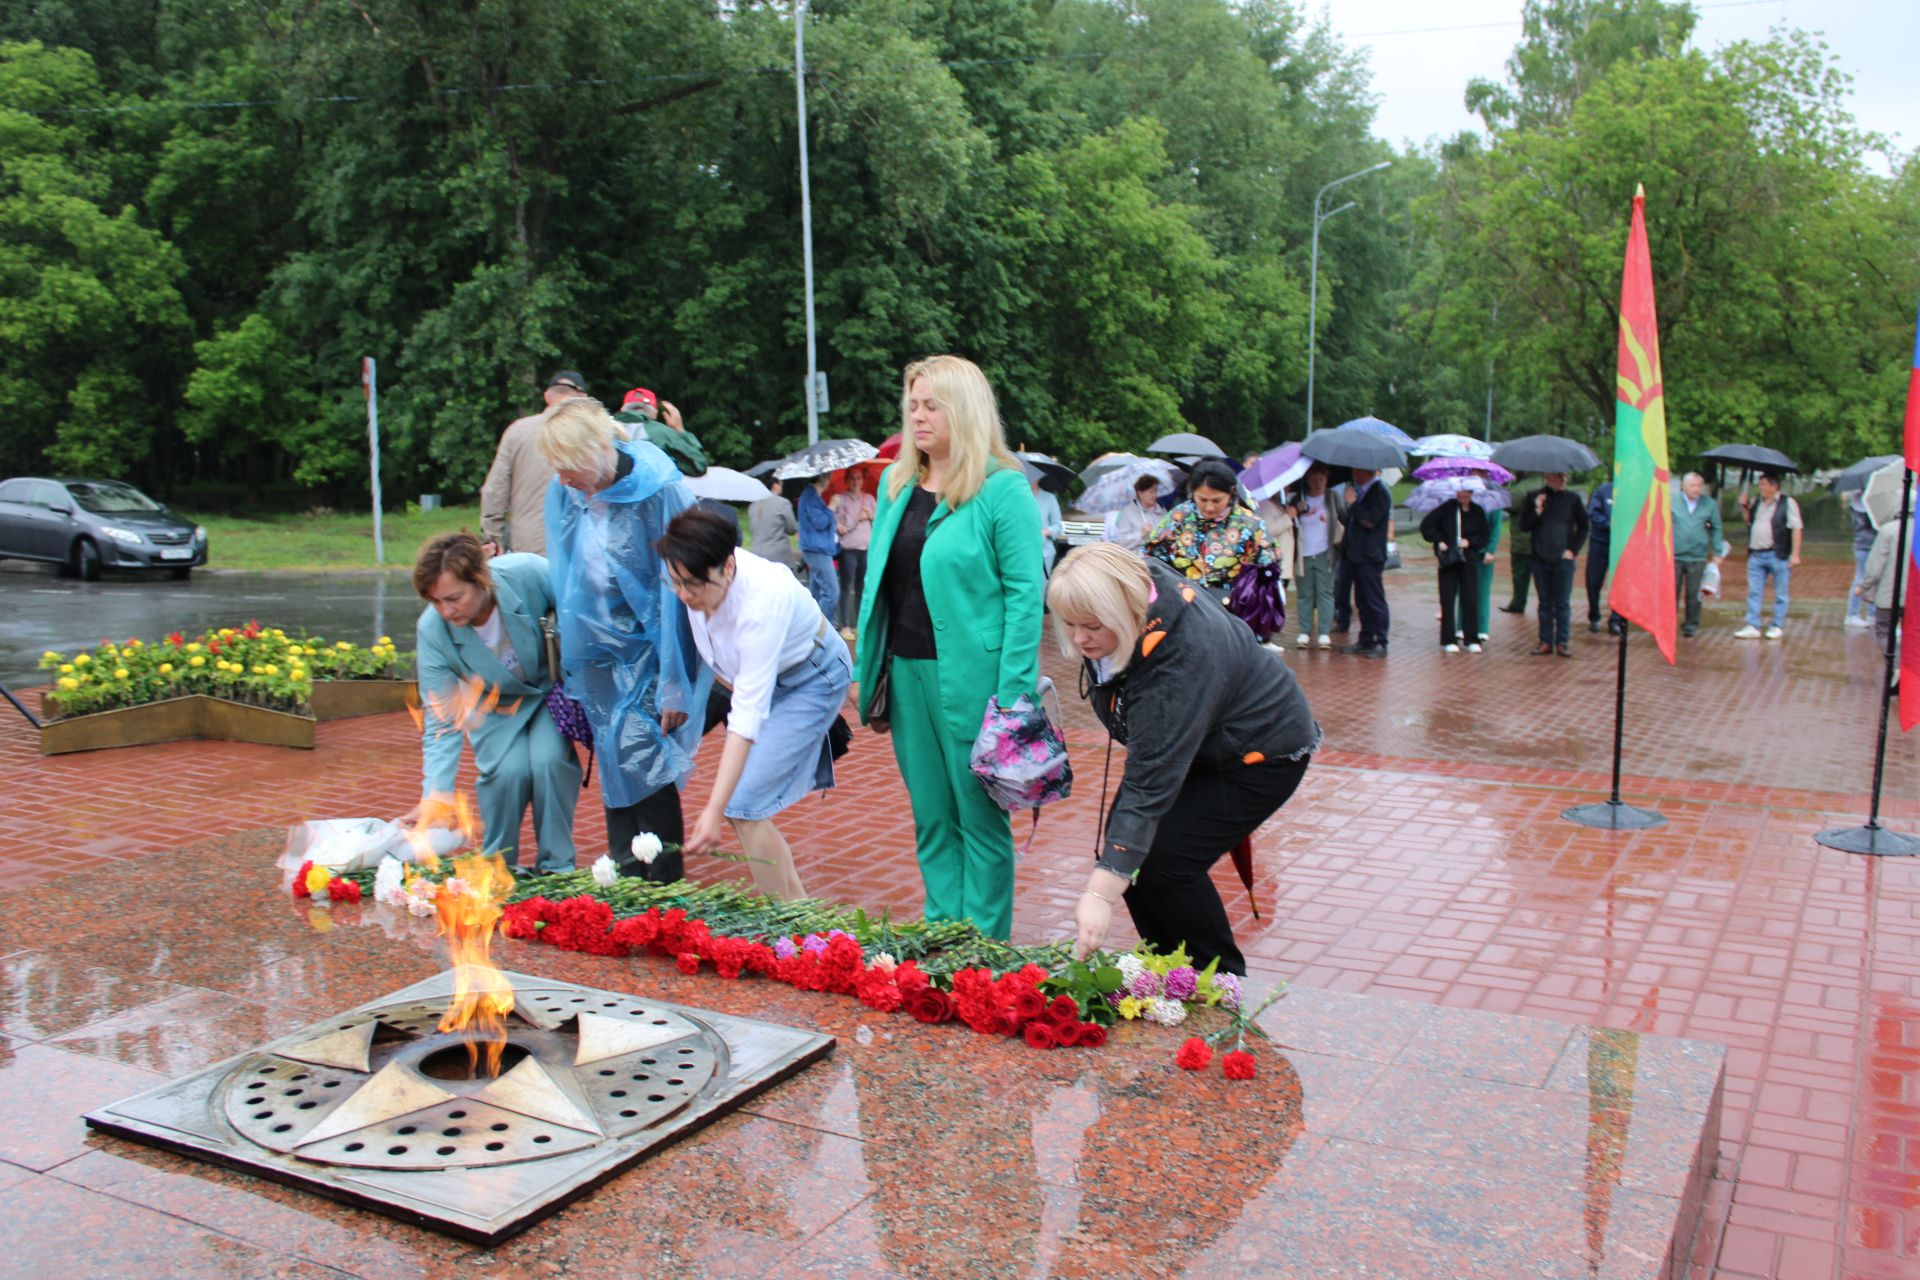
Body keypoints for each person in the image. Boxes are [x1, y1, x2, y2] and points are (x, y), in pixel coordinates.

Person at [1049, 544, 1318, 976]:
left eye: (1093, 627)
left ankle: (1221, 980)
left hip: (1258, 754)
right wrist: (1114, 869)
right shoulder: (1134, 586)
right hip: (1193, 743)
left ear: (1123, 611)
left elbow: (1150, 784)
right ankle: (1170, 970)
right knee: (1128, 854)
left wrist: (1099, 897)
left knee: (1166, 864)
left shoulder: (1180, 661)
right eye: (1069, 625)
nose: (1080, 639)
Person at [853, 354, 1043, 942]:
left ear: (964, 410)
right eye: (912, 405)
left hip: (976, 679)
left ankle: (984, 954)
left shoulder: (1001, 488)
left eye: (931, 404)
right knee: (932, 818)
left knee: (980, 821)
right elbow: (877, 584)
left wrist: (1012, 695)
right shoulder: (896, 482)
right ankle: (943, 939)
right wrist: (867, 663)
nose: (918, 416)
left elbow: (1024, 595)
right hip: (905, 673)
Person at [539, 398, 712, 880]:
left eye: (568, 465)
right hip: (597, 655)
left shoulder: (658, 491)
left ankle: (663, 887)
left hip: (650, 653)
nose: (562, 477)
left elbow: (679, 594)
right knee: (616, 765)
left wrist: (676, 682)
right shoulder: (568, 491)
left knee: (648, 767)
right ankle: (626, 883)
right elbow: (567, 571)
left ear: (599, 447)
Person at [659, 507, 850, 901]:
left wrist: (712, 809)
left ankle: (786, 923)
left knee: (742, 806)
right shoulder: (695, 574)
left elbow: (745, 716)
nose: (683, 594)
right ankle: (800, 917)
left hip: (812, 678)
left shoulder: (762, 604)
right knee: (745, 809)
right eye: (675, 581)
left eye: (692, 585)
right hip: (762, 678)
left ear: (728, 566)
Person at [408, 533, 580, 874]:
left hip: (546, 691)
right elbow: (441, 718)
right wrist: (437, 793)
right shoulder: (432, 630)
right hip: (492, 705)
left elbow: (579, 609)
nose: (446, 611)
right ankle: (498, 869)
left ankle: (557, 867)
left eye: (454, 598)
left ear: (481, 579)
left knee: (549, 762)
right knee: (507, 773)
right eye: (435, 601)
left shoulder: (528, 573)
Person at [479, 370, 589, 556]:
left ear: (547, 397)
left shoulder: (517, 432)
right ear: (583, 399)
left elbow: (495, 490)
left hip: (528, 544)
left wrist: (492, 537)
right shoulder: (590, 434)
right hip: (577, 544)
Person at [1143, 459, 1278, 609]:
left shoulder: (1250, 524)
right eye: (1202, 499)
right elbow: (1152, 555)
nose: (1209, 507)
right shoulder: (1178, 517)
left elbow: (1269, 566)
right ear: (1193, 493)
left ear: (1231, 492)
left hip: (1233, 609)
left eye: (1216, 500)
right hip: (1185, 605)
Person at [1518, 471, 1588, 657]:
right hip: (1540, 558)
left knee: (1562, 603)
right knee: (1545, 603)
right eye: (1558, 476)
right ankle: (1545, 641)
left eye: (1564, 476)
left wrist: (1573, 550)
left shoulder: (1572, 499)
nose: (1563, 479)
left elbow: (1583, 526)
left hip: (1563, 559)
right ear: (1548, 477)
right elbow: (1524, 525)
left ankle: (1563, 642)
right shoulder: (1535, 497)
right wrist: (1537, 510)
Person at [1420, 487, 1491, 652]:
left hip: (1469, 560)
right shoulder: (1446, 508)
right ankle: (1448, 639)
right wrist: (1439, 541)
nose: (1463, 499)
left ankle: (1472, 638)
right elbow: (1427, 527)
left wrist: (1470, 542)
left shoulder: (1478, 511)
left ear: (1471, 495)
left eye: (1466, 496)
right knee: (1447, 599)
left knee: (1471, 598)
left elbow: (1484, 536)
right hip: (1449, 560)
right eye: (1460, 496)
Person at [1734, 471, 1802, 640]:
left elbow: (1796, 528)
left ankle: (1777, 625)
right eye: (1760, 484)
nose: (1761, 488)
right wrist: (1744, 507)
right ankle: (1753, 625)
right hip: (1756, 554)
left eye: (1764, 484)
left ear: (1774, 486)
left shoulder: (1787, 503)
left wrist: (1795, 554)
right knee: (1754, 591)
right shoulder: (1757, 501)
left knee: (1780, 592)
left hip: (1777, 554)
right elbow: (1749, 521)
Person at [1288, 464, 1343, 647]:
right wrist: (1298, 511)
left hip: (1324, 553)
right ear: (1308, 480)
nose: (1318, 483)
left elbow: (1344, 518)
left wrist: (1331, 522)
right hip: (1303, 554)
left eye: (1321, 479)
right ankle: (1304, 632)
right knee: (1305, 594)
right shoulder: (1299, 499)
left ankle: (1324, 632)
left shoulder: (1332, 497)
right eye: (1314, 479)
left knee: (1325, 593)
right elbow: (1291, 521)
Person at [1339, 468, 1392, 657]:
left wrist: (1353, 504)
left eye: (1357, 470)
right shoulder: (1362, 491)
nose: (1353, 473)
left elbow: (1371, 521)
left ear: (1366, 471)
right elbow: (1352, 520)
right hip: (1355, 556)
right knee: (1361, 600)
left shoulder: (1380, 492)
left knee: (1374, 599)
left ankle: (1381, 641)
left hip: (1370, 556)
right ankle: (1366, 638)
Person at [1671, 471, 1728, 638]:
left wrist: (1718, 552)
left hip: (1697, 556)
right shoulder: (1671, 501)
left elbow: (1717, 528)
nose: (1696, 489)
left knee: (1694, 594)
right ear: (1683, 486)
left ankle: (1691, 625)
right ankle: (1668, 624)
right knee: (1670, 593)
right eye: (1692, 485)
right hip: (1674, 556)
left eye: (1699, 486)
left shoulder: (1709, 504)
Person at [1855, 515, 1908, 658]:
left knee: (1883, 631)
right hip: (1915, 596)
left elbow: (1875, 566)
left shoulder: (1888, 530)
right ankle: (1909, 670)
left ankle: (1896, 665)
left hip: (1889, 595)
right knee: (1913, 635)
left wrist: (1864, 585)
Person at [832, 470, 875, 639]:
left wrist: (870, 515)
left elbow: (880, 520)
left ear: (863, 480)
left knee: (861, 589)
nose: (855, 482)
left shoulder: (870, 499)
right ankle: (844, 626)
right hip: (848, 549)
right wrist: (857, 518)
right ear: (846, 480)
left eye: (858, 478)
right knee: (846, 587)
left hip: (866, 548)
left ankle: (860, 625)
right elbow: (840, 527)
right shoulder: (840, 499)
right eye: (852, 478)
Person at [797, 473, 840, 624]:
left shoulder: (812, 495)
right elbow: (820, 522)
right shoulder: (810, 496)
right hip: (817, 550)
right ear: (821, 478)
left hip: (818, 549)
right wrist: (832, 507)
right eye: (828, 475)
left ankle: (808, 629)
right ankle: (820, 630)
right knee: (831, 592)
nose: (830, 479)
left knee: (815, 593)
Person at [1585, 480, 1622, 634]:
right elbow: (1592, 513)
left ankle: (1616, 620)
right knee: (1594, 581)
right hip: (1600, 543)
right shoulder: (1603, 490)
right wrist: (1608, 524)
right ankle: (1594, 616)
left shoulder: (1632, 492)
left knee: (1619, 585)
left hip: (1621, 545)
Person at [1102, 474, 1164, 554]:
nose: (1154, 495)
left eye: (1155, 491)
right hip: (1137, 560)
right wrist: (1140, 534)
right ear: (1140, 492)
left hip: (1159, 560)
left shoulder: (1161, 510)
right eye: (1151, 492)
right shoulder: (1127, 511)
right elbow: (1121, 541)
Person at [748, 476, 800, 570]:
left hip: (756, 555)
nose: (781, 487)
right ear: (775, 485)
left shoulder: (752, 506)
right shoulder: (782, 503)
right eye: (781, 484)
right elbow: (792, 529)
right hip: (778, 557)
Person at [1847, 495, 1879, 629]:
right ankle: (1852, 614)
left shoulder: (1856, 501)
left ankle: (1872, 613)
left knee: (1874, 579)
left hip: (1866, 545)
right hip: (1865, 546)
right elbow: (1872, 525)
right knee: (1861, 578)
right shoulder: (1861, 504)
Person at [1498, 507, 1533, 614]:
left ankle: (1518, 604)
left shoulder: (1518, 490)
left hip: (1522, 542)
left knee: (1520, 576)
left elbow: (1510, 503)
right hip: (1533, 541)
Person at [1034, 477, 1065, 579]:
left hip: (1045, 552)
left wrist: (1046, 531)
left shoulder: (1049, 498)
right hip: (1020, 551)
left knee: (1041, 587)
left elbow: (1058, 525)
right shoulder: (1017, 498)